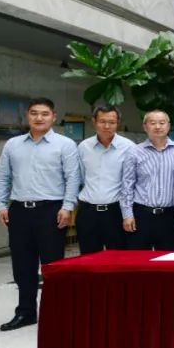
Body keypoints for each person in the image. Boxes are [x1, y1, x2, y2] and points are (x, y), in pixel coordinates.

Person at [0, 97, 80, 331]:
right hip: (19, 211)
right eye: (34, 113)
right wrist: (1, 205)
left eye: (44, 114)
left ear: (53, 117)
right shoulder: (13, 145)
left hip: (51, 211)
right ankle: (26, 312)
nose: (39, 118)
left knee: (52, 265)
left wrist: (67, 207)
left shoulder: (65, 145)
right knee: (22, 265)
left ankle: (55, 313)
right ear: (27, 116)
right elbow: (2, 176)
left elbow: (73, 178)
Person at [75, 104, 134, 255]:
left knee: (118, 260)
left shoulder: (129, 148)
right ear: (94, 121)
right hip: (88, 212)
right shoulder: (84, 147)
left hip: (116, 212)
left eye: (112, 122)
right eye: (102, 121)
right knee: (88, 260)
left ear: (118, 123)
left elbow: (131, 183)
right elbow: (80, 178)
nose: (107, 126)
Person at [120, 109, 174, 251]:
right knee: (138, 260)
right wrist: (127, 215)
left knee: (166, 260)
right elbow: (127, 185)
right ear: (145, 127)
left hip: (169, 216)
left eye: (162, 123)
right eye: (153, 123)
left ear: (168, 126)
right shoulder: (134, 152)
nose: (157, 127)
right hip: (141, 215)